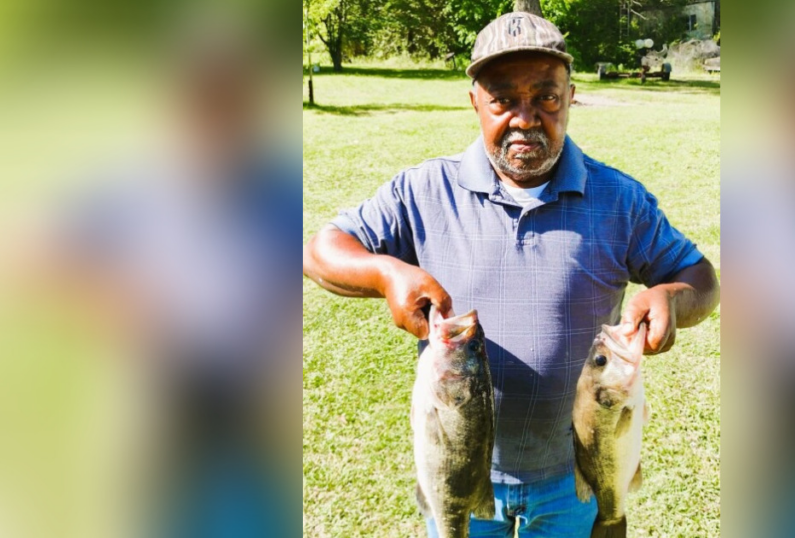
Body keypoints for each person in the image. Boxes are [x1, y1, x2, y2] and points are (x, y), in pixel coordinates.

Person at [303, 12, 719, 537]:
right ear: (475, 100)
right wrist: (385, 273)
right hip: (460, 467)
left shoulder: (619, 201)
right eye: (502, 99)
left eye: (546, 97)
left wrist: (672, 297)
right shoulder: (424, 192)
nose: (525, 118)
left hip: (571, 476)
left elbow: (700, 277)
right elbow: (321, 251)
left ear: (571, 98)